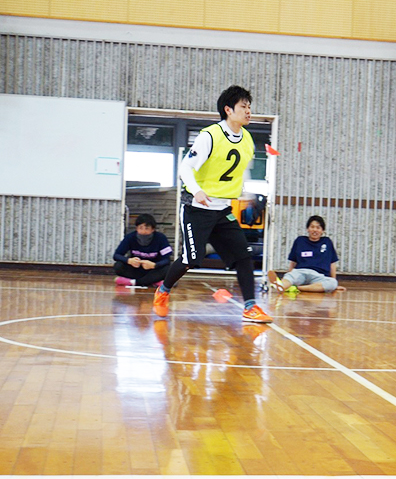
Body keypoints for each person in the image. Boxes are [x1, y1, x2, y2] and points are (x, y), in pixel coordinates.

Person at [152, 85, 272, 323]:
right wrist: (196, 191)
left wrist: (247, 195)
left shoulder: (247, 140)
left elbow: (242, 171)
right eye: (243, 106)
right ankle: (163, 291)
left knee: (243, 255)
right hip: (196, 208)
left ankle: (250, 306)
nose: (248, 111)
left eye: (249, 107)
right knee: (191, 259)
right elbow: (185, 168)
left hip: (222, 210)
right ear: (228, 110)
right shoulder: (210, 136)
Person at [267, 215, 343, 294]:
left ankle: (298, 288)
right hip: (300, 272)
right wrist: (290, 274)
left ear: (322, 230)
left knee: (332, 283)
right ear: (308, 229)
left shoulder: (327, 242)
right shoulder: (300, 240)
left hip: (319, 275)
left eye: (318, 227)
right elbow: (293, 262)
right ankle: (281, 286)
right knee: (290, 277)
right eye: (312, 227)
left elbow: (332, 263)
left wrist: (334, 282)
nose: (315, 230)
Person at [113, 213, 172, 287]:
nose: (143, 231)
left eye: (147, 228)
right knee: (118, 266)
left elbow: (167, 260)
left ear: (153, 229)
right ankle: (153, 281)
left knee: (168, 269)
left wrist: (154, 265)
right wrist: (129, 260)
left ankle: (134, 282)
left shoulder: (161, 238)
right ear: (136, 228)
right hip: (136, 269)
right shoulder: (130, 237)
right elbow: (116, 255)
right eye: (140, 228)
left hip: (153, 270)